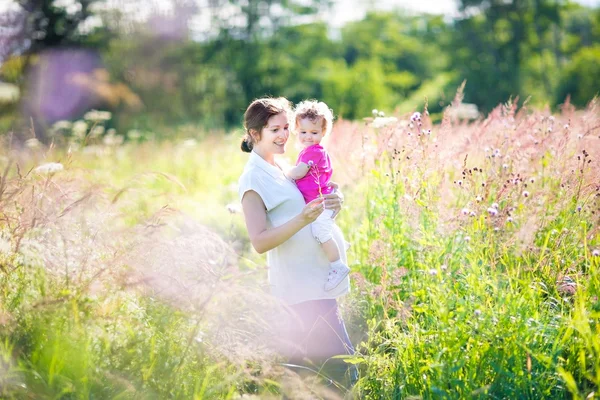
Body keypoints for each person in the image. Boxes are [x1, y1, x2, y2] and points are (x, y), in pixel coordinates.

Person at [238, 97, 358, 387]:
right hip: (300, 290)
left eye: (285, 128)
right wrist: (303, 219)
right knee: (340, 372)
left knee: (329, 373)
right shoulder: (253, 179)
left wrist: (333, 202)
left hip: (317, 281)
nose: (284, 136)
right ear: (255, 134)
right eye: (274, 130)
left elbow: (308, 202)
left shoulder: (281, 167)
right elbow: (259, 241)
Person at [285, 100, 351, 291]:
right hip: (321, 201)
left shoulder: (314, 152)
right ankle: (336, 244)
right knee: (322, 230)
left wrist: (283, 173)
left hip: (322, 203)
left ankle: (338, 265)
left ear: (323, 133)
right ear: (296, 130)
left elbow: (298, 173)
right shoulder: (309, 151)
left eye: (314, 133)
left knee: (320, 232)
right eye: (303, 132)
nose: (308, 137)